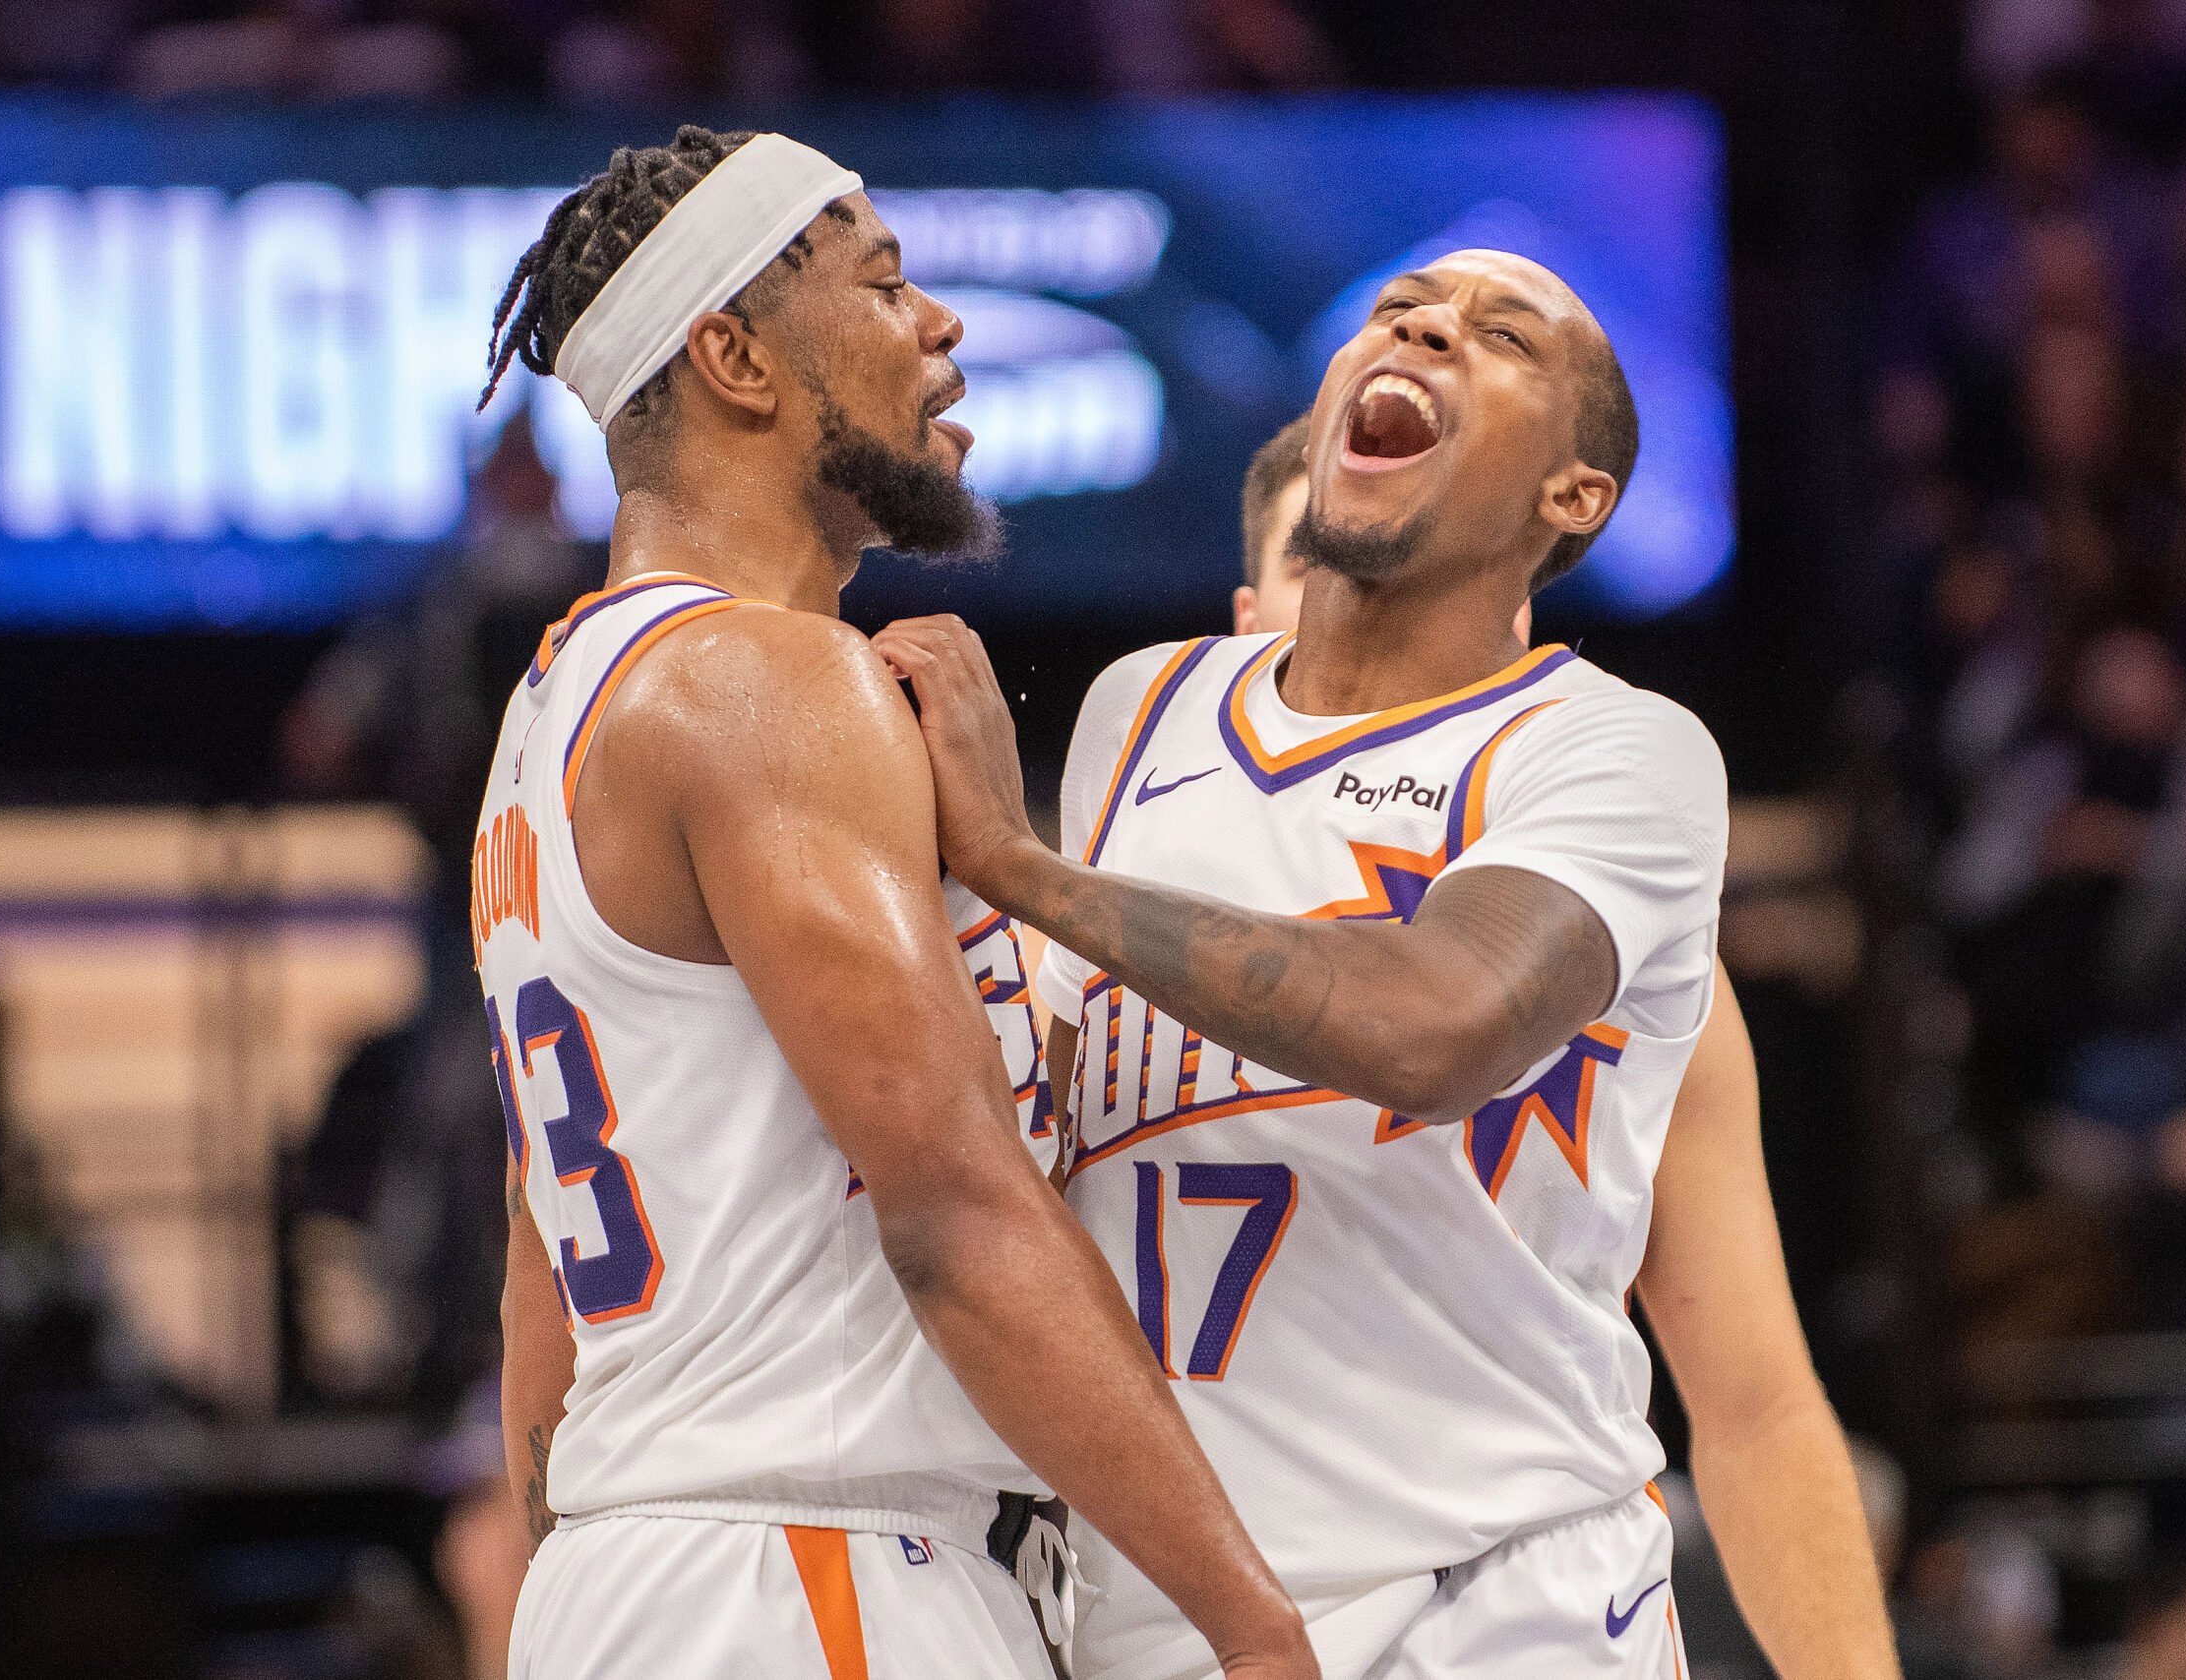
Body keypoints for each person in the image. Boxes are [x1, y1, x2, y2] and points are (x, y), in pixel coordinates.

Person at [879, 248, 1899, 1678]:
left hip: (1498, 1612)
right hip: (1175, 1619)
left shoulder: (1613, 764)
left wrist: (1022, 870)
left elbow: (1443, 1033)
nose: (1421, 325)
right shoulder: (1141, 716)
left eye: (1500, 336)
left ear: (1573, 500)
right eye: (1398, 309)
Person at [470, 125, 1316, 1680]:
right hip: (811, 1571)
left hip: (645, 1575)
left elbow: (542, 1264)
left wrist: (581, 1580)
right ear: (734, 357)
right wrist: (1257, 1631)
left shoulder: (550, 722)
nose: (945, 325)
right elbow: (951, 1210)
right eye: (885, 283)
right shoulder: (768, 682)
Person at [1235, 413, 1528, 645]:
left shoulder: (1567, 718)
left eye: (1427, 569)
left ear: (1512, 615)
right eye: (1317, 566)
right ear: (1249, 624)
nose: (1361, 597)